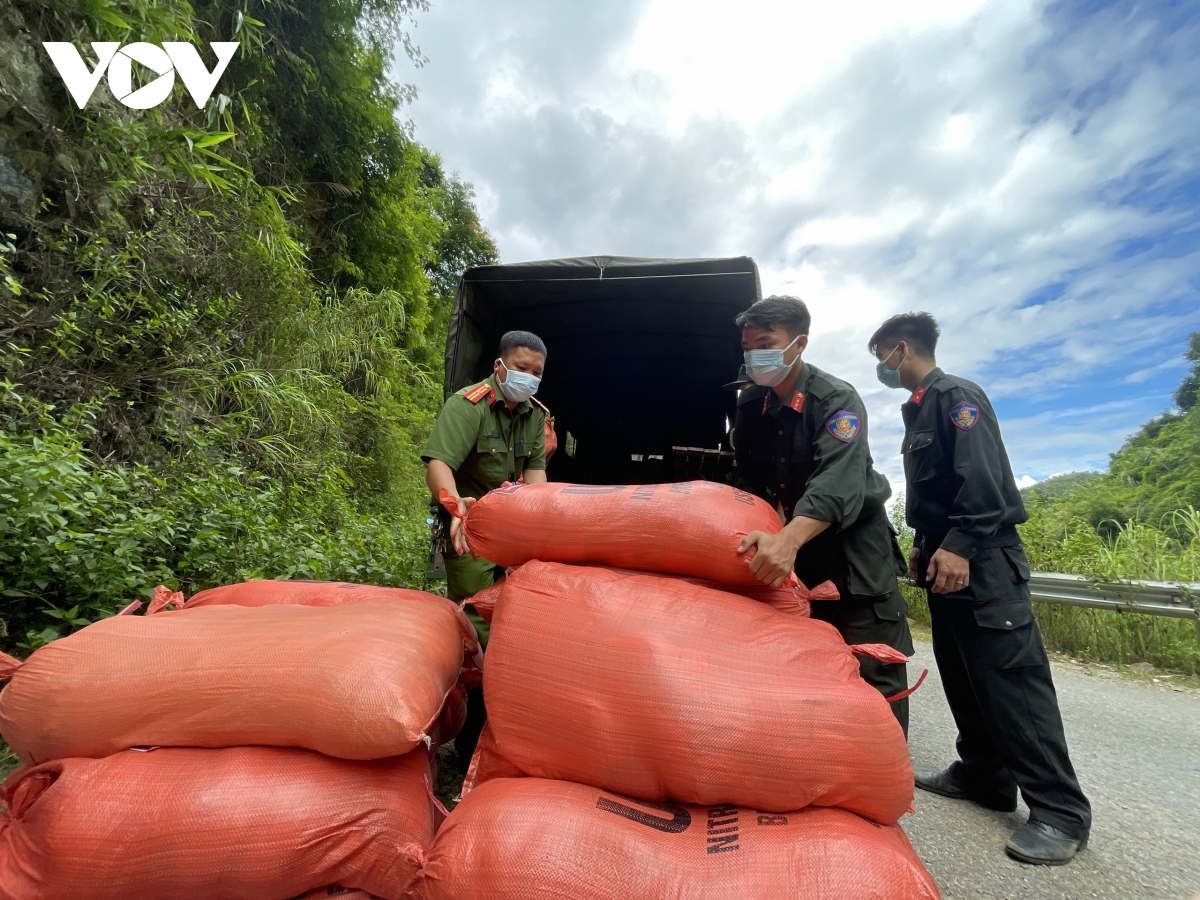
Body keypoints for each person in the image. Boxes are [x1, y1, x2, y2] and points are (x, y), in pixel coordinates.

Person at [868, 311, 1091, 866]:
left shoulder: (956, 396)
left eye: (880, 357)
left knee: (1012, 683)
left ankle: (1061, 813)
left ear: (900, 348)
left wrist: (961, 544)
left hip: (982, 560)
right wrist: (924, 541)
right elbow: (938, 488)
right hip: (946, 557)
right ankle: (984, 775)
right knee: (965, 676)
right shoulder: (918, 407)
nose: (881, 369)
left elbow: (984, 482)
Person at [733, 295, 915, 735]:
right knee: (808, 675)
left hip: (854, 559)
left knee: (870, 675)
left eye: (765, 342)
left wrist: (788, 540)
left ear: (799, 343)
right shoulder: (750, 407)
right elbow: (751, 483)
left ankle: (880, 793)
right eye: (746, 345)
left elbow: (838, 482)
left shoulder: (835, 399)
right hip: (800, 561)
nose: (755, 354)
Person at [421, 330, 549, 770]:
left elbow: (536, 482)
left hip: (512, 530)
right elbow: (439, 463)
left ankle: (508, 727)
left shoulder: (534, 416)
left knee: (523, 618)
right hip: (470, 529)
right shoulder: (469, 404)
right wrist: (455, 508)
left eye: (536, 373)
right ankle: (470, 737)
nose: (527, 378)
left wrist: (543, 537)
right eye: (520, 368)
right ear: (499, 366)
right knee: (479, 628)